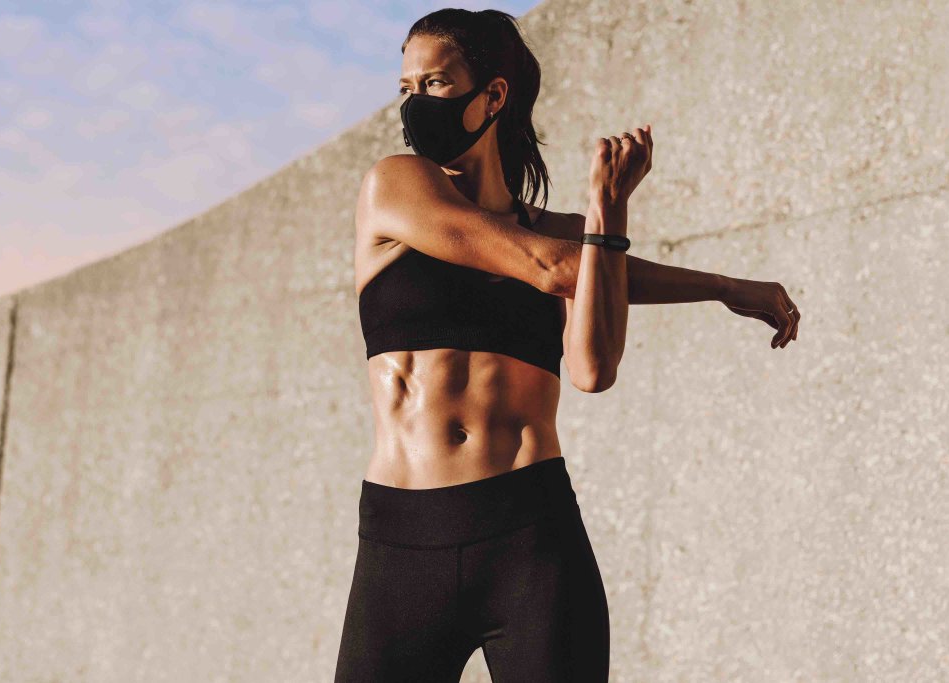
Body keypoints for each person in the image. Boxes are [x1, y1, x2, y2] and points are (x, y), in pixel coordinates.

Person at [335, 9, 799, 683]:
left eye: (434, 84)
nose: (415, 105)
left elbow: (593, 368)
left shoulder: (573, 236)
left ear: (492, 95)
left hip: (530, 536)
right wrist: (719, 284)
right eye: (407, 88)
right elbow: (553, 265)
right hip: (403, 540)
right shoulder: (396, 186)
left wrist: (609, 216)